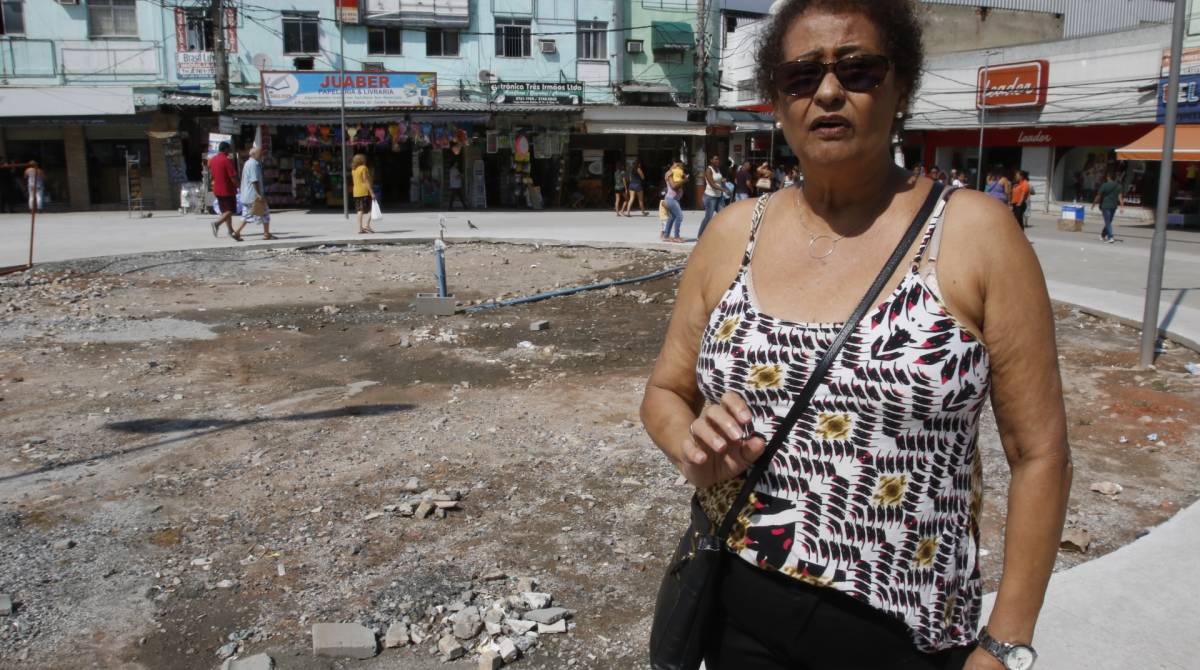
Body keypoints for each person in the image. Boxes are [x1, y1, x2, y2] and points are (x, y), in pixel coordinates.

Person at [640, 1, 1071, 669]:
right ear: (778, 102)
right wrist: (689, 445)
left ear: (900, 87)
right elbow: (665, 391)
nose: (829, 91)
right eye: (802, 76)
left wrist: (1005, 641)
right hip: (741, 613)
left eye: (859, 69)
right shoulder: (732, 234)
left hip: (907, 634)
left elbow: (1039, 452)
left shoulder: (976, 235)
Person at [233, 147, 274, 241]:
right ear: (254, 154)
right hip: (253, 195)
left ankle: (237, 232)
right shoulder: (253, 164)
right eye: (260, 154)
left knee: (250, 215)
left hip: (248, 195)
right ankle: (237, 232)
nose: (261, 156)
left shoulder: (248, 163)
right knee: (263, 213)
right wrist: (259, 194)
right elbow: (254, 180)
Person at [208, 142, 239, 238]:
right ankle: (217, 224)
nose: (229, 151)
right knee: (231, 210)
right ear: (225, 149)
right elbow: (232, 176)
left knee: (225, 211)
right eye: (229, 149)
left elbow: (211, 175)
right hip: (227, 189)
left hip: (217, 189)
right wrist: (238, 186)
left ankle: (230, 230)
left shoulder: (213, 160)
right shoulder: (226, 160)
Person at [698, 155, 727, 237]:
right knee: (708, 217)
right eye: (716, 159)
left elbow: (718, 179)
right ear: (711, 160)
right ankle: (700, 235)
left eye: (718, 159)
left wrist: (723, 180)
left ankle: (719, 233)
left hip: (719, 196)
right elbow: (712, 184)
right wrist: (723, 189)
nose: (718, 161)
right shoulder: (708, 170)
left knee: (723, 214)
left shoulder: (718, 169)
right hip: (710, 197)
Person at [1092, 172, 1124, 243]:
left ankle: (1110, 237)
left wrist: (1094, 204)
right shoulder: (1118, 186)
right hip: (1113, 206)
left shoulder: (1105, 185)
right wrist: (1122, 207)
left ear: (1108, 177)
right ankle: (1103, 235)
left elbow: (1098, 196)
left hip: (1106, 206)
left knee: (1107, 222)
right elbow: (1120, 198)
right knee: (1109, 222)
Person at [662, 160, 687, 242]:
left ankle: (666, 236)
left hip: (675, 199)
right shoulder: (670, 174)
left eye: (680, 166)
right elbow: (673, 186)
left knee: (672, 217)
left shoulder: (677, 174)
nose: (678, 167)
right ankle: (676, 237)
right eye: (677, 165)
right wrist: (683, 180)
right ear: (672, 165)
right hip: (671, 199)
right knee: (679, 216)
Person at [352, 153, 375, 234]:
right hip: (364, 191)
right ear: (362, 160)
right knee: (372, 208)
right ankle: (367, 225)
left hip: (356, 192)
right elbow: (366, 181)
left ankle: (360, 228)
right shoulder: (363, 168)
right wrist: (372, 192)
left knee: (359, 210)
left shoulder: (354, 169)